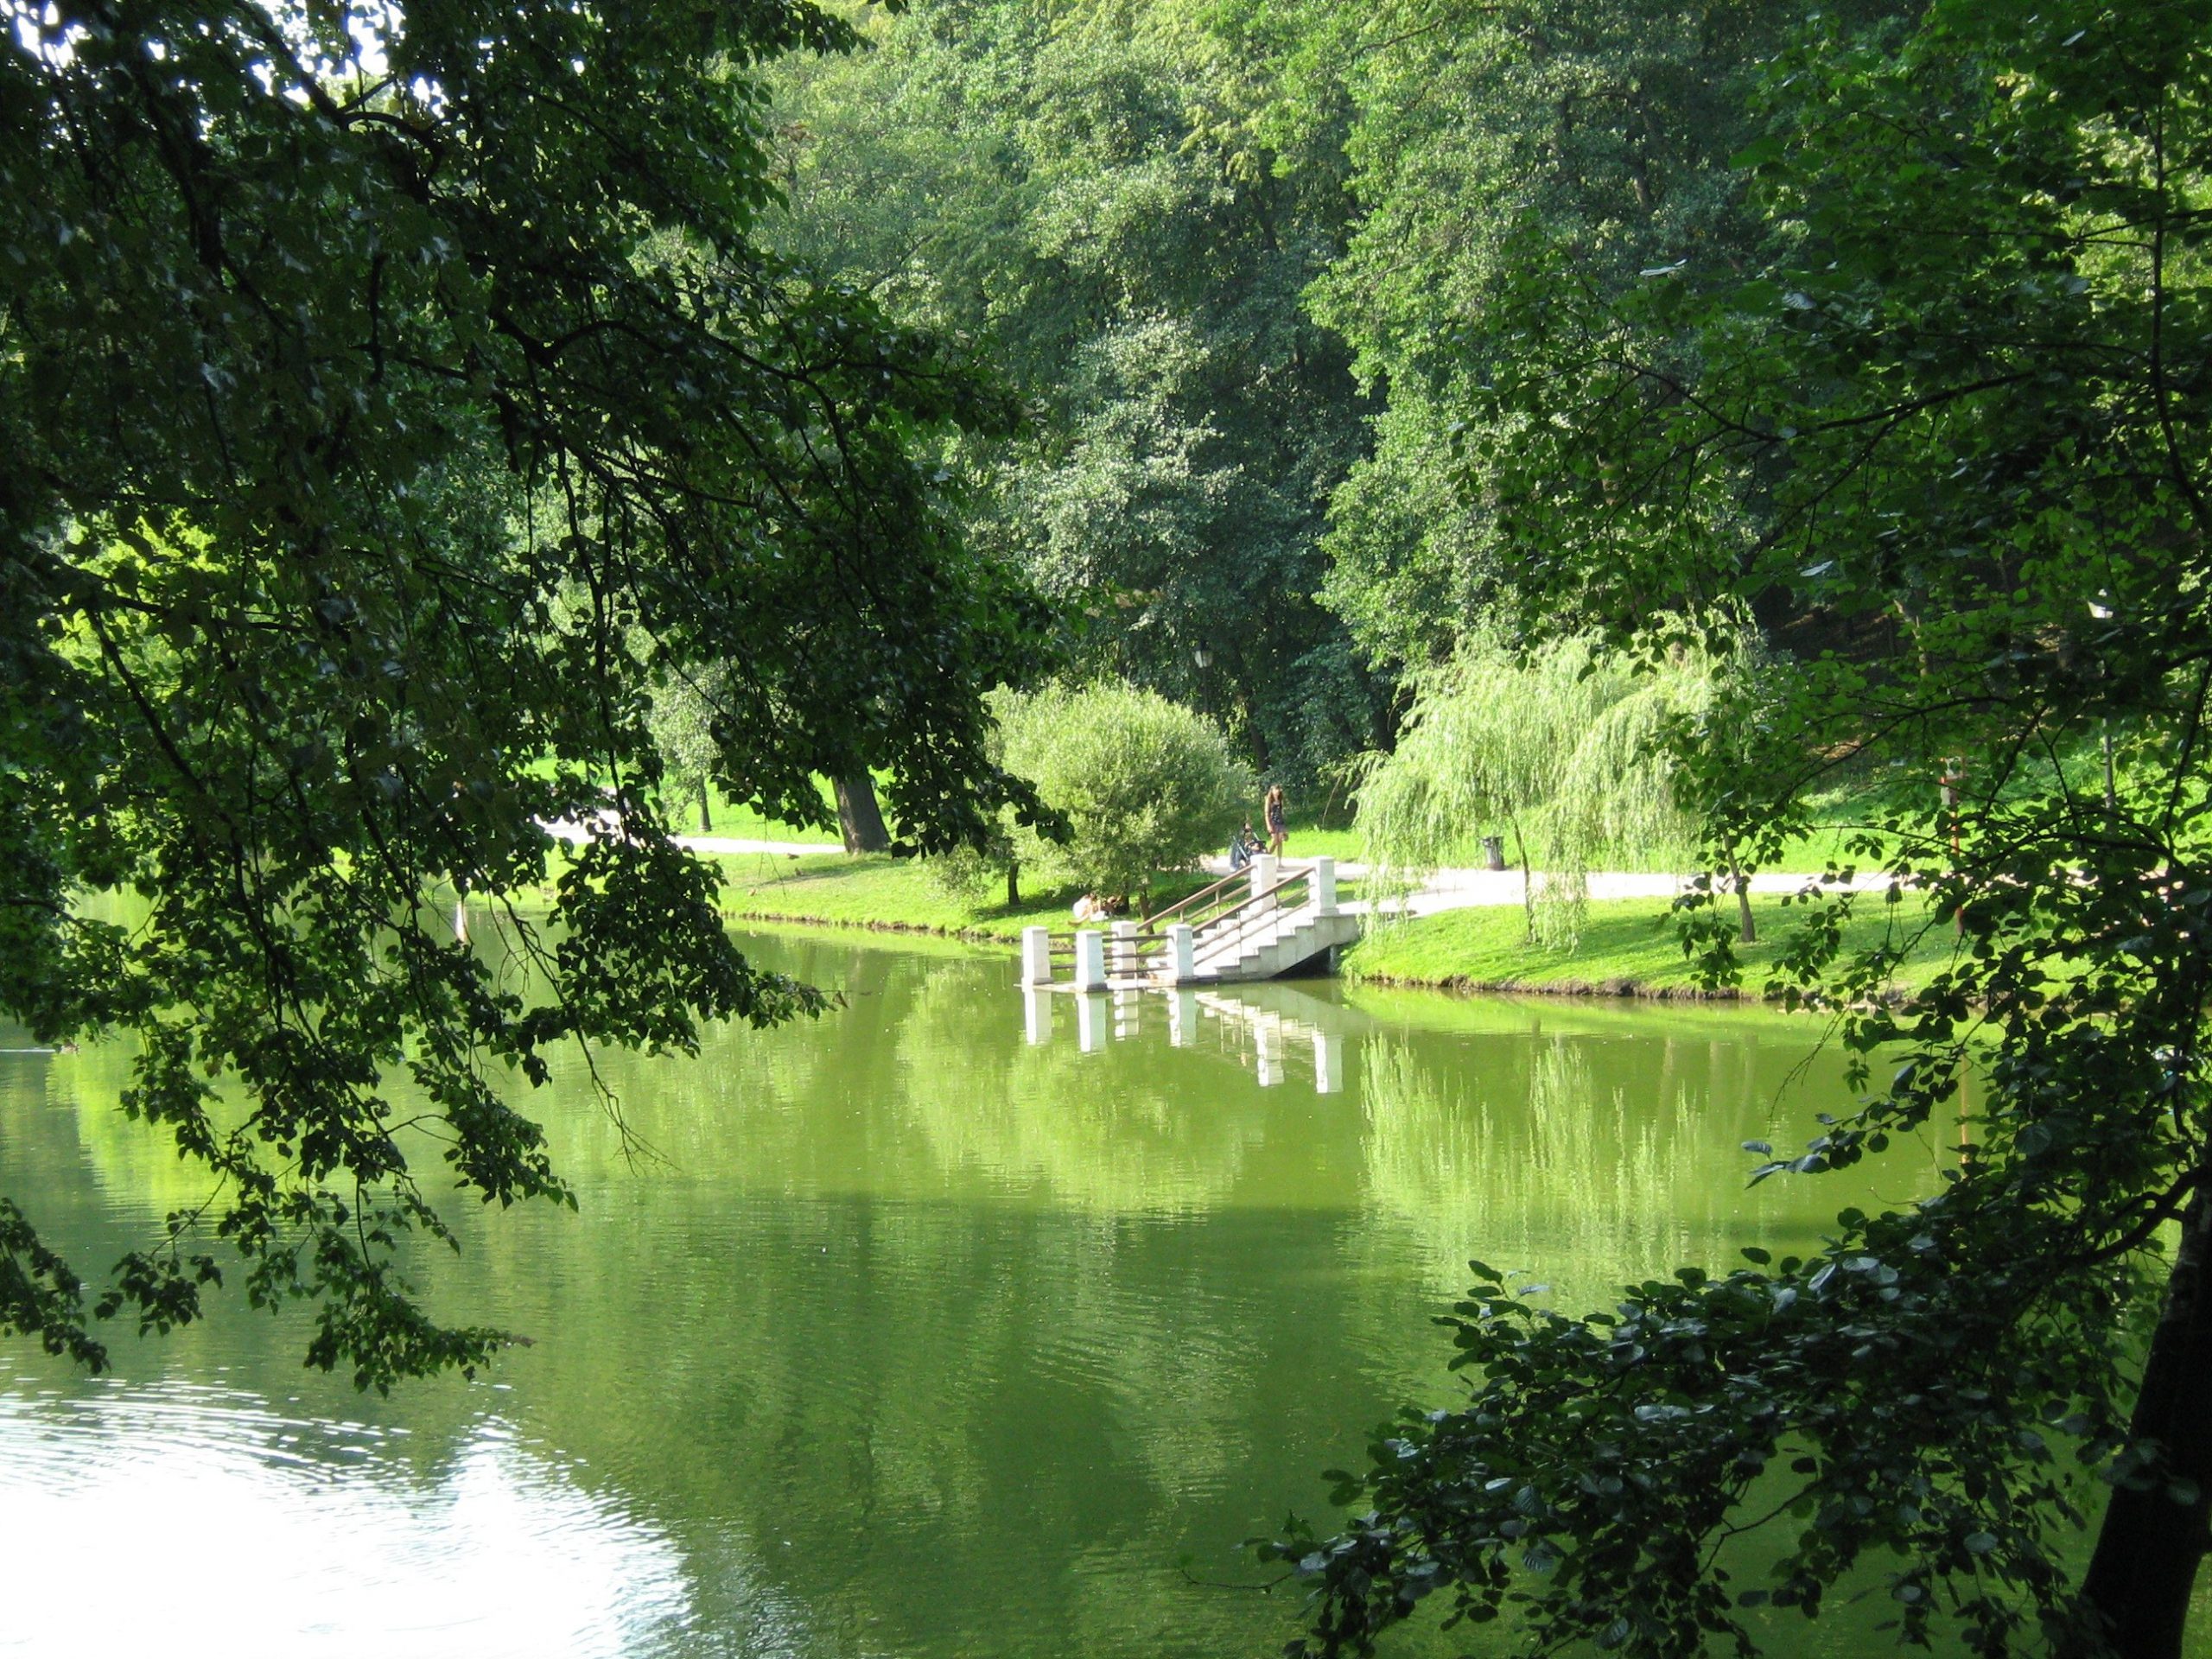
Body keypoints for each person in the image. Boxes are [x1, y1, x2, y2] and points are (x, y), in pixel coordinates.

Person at [1263, 783, 1287, 858]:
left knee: (1280, 841)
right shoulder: (1269, 800)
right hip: (1272, 822)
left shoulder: (1280, 800)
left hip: (1280, 822)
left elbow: (1281, 812)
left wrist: (1285, 829)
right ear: (1272, 790)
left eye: (1278, 790)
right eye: (1275, 790)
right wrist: (1268, 825)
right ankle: (1267, 855)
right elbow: (1267, 814)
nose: (1277, 791)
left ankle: (1280, 862)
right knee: (1275, 841)